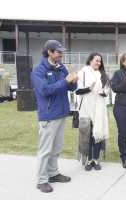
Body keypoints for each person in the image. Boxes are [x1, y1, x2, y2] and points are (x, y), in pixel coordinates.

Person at [31, 40, 78, 193]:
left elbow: (70, 87)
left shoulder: (60, 67)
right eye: (58, 52)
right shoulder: (38, 71)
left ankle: (53, 173)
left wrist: (73, 81)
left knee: (56, 148)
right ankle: (42, 180)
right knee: (45, 150)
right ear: (49, 52)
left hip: (61, 113)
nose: (61, 54)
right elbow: (45, 90)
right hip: (48, 116)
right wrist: (65, 80)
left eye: (62, 52)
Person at [76, 53, 109, 171]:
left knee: (98, 133)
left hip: (99, 107)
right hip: (86, 108)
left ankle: (96, 159)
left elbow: (107, 92)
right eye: (96, 60)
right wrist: (89, 88)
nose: (98, 63)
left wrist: (103, 92)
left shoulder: (103, 74)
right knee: (88, 134)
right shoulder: (82, 72)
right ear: (90, 60)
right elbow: (77, 91)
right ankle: (89, 159)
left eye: (100, 61)